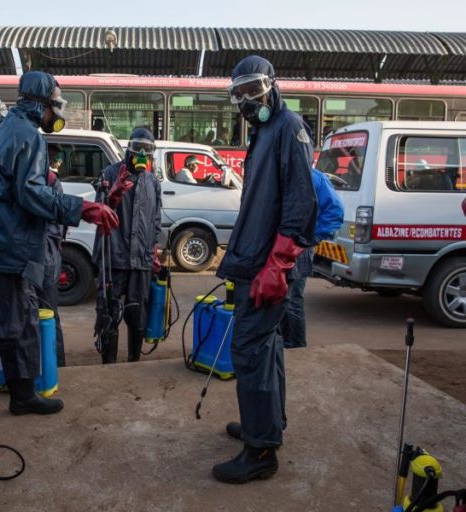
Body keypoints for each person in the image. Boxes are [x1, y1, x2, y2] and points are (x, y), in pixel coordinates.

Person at [0, 71, 118, 416]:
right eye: (56, 105)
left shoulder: (0, 132)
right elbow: (31, 193)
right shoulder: (29, 137)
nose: (57, 113)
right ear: (41, 104)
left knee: (24, 319)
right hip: (4, 248)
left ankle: (22, 392)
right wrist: (84, 208)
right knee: (7, 328)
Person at [212, 55, 317, 484]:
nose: (245, 102)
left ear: (272, 85)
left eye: (252, 90)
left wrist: (278, 264)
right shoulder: (264, 131)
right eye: (238, 94)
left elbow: (299, 203)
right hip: (254, 262)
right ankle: (267, 425)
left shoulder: (288, 130)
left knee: (250, 350)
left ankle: (259, 453)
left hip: (268, 266)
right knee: (266, 349)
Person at [93, 127, 162, 364]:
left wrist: (153, 250)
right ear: (128, 151)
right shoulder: (110, 173)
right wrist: (113, 193)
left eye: (147, 150)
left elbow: (155, 220)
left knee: (137, 311)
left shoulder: (152, 181)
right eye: (137, 149)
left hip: (141, 259)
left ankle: (134, 360)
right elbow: (98, 211)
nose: (141, 155)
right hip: (114, 257)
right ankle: (109, 366)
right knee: (109, 311)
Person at [279, 168, 344, 349]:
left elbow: (335, 211)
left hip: (299, 248)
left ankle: (296, 346)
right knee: (279, 298)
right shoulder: (274, 173)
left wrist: (311, 238)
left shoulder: (313, 177)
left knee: (292, 300)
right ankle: (284, 341)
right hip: (276, 247)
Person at [40, 150, 68, 367]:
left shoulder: (51, 182)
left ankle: (56, 365)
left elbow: (56, 227)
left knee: (49, 315)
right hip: (33, 259)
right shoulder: (22, 179)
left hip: (45, 260)